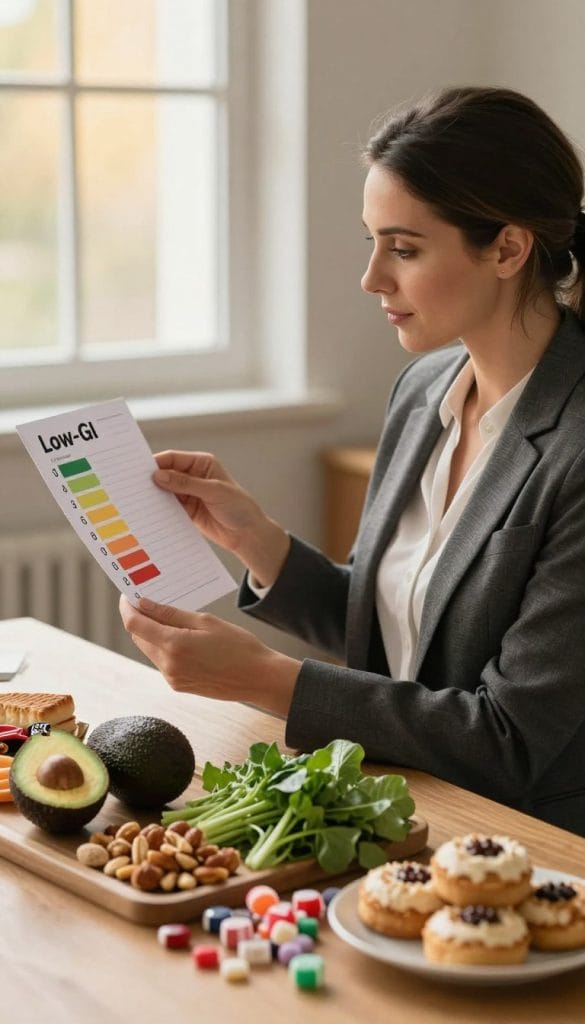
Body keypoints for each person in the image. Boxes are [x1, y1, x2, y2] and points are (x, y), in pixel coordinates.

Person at [120, 86, 585, 836]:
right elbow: (404, 636)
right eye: (371, 242)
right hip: (404, 806)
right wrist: (258, 542)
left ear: (507, 247)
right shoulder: (425, 386)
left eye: (403, 248)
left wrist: (267, 680)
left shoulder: (574, 449)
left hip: (528, 845)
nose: (372, 278)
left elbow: (509, 738)